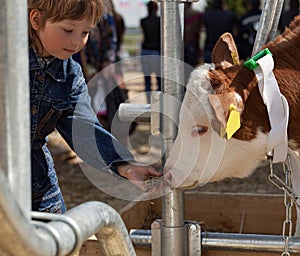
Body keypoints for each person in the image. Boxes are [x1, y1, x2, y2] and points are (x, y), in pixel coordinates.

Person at [28, 0, 161, 214]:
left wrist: (124, 164)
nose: (76, 42)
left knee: (56, 243)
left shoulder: (70, 75)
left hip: (38, 184)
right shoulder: (7, 62)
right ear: (36, 20)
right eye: (68, 29)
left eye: (84, 32)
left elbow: (84, 130)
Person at [140, 1, 161, 103]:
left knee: (147, 81)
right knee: (159, 81)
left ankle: (149, 102)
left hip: (145, 51)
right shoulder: (160, 21)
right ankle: (158, 102)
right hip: (157, 52)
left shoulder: (143, 21)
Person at [184, 2, 204, 83]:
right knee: (191, 71)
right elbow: (199, 32)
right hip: (192, 45)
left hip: (179, 46)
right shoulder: (197, 14)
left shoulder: (177, 14)